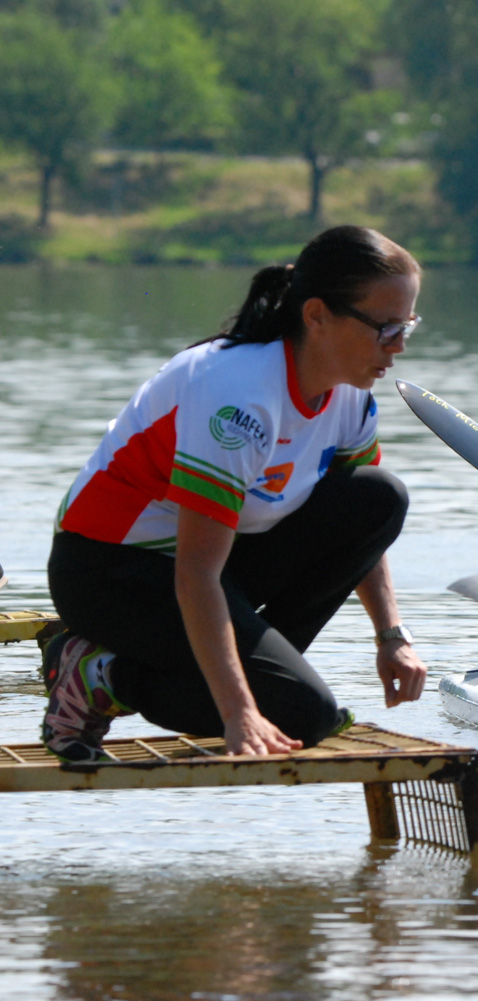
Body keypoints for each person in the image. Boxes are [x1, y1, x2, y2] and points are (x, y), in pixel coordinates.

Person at [43, 225, 428, 763]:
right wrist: (237, 711)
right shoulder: (238, 398)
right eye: (386, 329)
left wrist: (391, 634)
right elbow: (195, 573)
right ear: (316, 316)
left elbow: (361, 529)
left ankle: (262, 676)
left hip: (211, 565)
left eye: (408, 325)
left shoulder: (351, 399)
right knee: (304, 717)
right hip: (111, 571)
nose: (400, 346)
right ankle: (98, 676)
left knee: (379, 496)